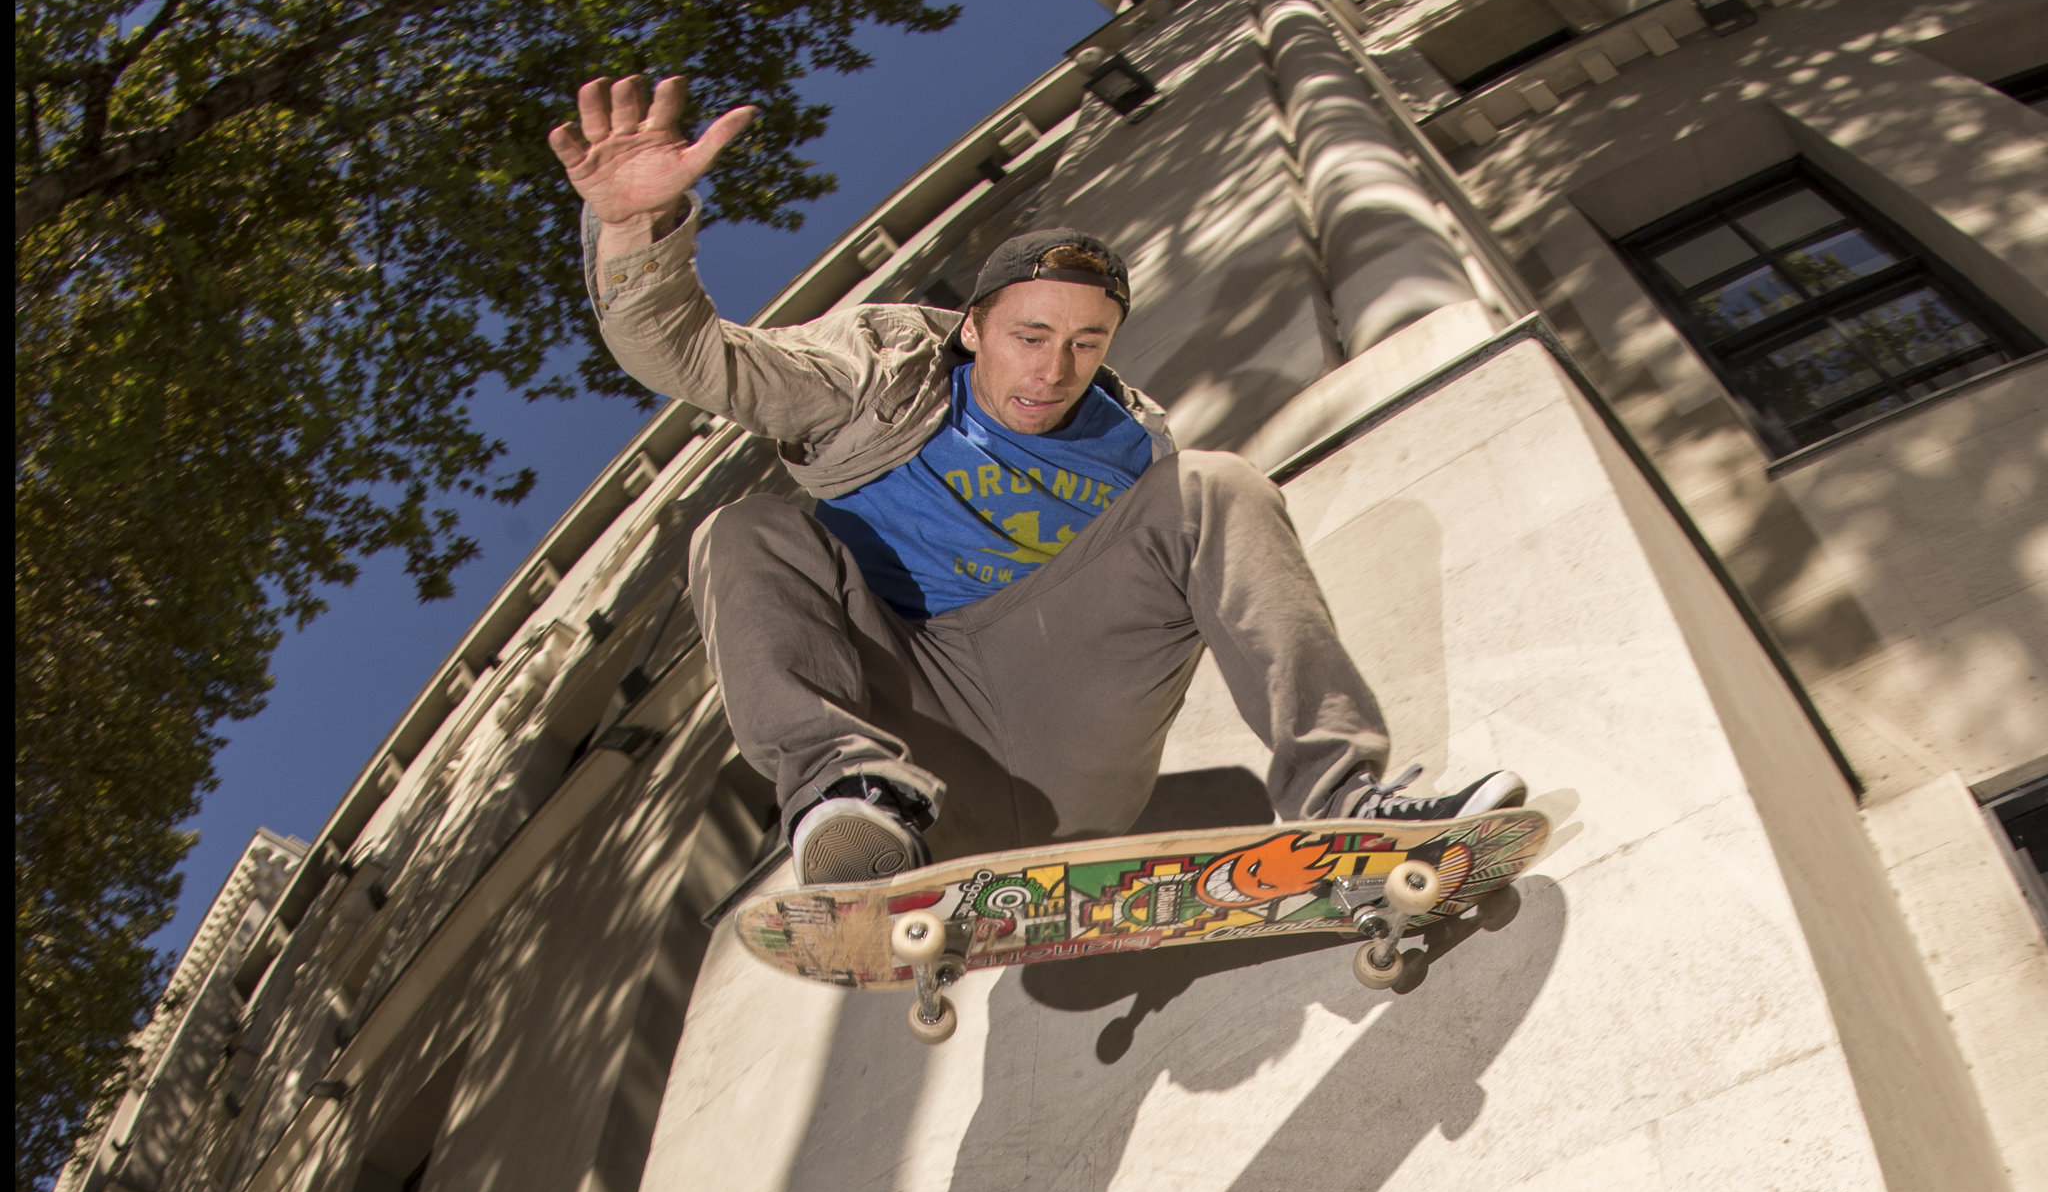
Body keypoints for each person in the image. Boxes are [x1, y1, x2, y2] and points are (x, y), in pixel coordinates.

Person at [549, 73, 1523, 885]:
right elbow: (682, 352)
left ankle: (1344, 803)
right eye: (1027, 338)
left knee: (1217, 485)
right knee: (741, 529)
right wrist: (638, 233)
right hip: (925, 727)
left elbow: (1202, 559)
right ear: (970, 329)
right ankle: (848, 796)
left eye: (1083, 344)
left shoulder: (1131, 445)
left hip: (1074, 728)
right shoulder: (861, 377)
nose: (1053, 370)